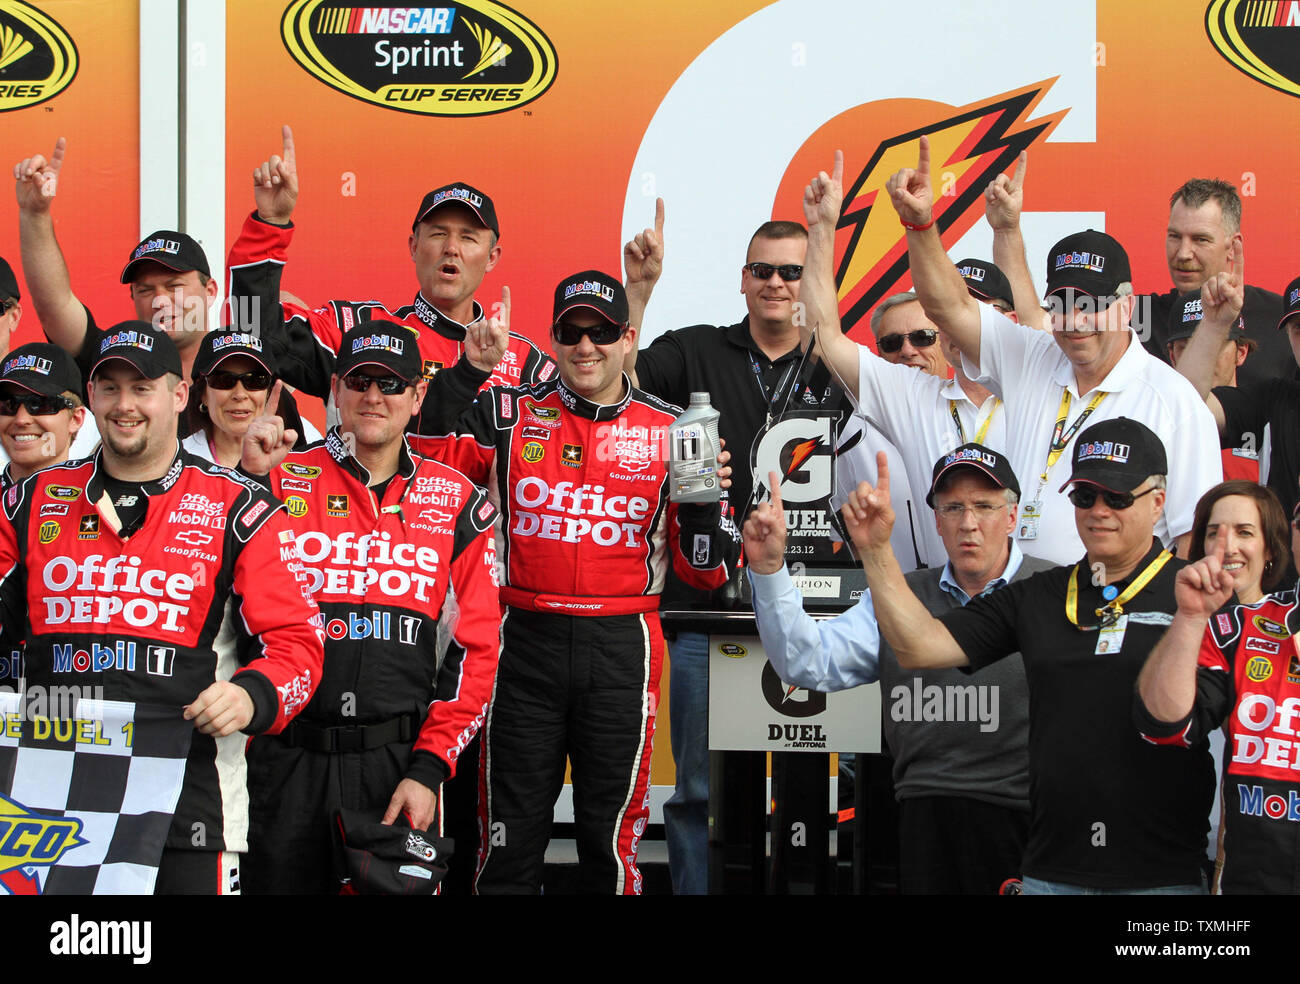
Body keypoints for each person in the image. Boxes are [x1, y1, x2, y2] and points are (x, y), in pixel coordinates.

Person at [422, 270, 739, 894]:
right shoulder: (508, 411)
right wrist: (463, 375)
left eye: (600, 332)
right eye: (571, 332)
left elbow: (704, 570)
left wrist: (705, 512)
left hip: (622, 644)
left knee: (610, 842)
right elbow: (425, 459)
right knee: (507, 842)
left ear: (627, 339)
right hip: (521, 642)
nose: (585, 346)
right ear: (552, 337)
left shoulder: (678, 429)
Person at [0, 320, 324, 894]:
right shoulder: (30, 500)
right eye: (110, 387)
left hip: (188, 800)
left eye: (142, 386)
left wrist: (251, 695)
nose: (125, 405)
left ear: (179, 396)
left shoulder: (239, 507)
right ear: (91, 400)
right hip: (46, 803)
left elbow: (298, 643)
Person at [840, 416, 1214, 892]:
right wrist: (875, 551)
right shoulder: (1039, 593)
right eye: (1085, 496)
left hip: (1159, 869)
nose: (1099, 511)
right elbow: (918, 647)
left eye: (1117, 497)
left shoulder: (1198, 595)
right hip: (1051, 868)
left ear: (1158, 501)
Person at [622, 211, 858, 894]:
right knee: (698, 790)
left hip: (813, 612)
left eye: (793, 271)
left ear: (812, 281)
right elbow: (619, 384)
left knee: (806, 798)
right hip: (704, 609)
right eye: (764, 270)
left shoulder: (839, 365)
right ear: (743, 280)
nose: (778, 283)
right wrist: (638, 292)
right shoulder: (696, 349)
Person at [236, 324, 502, 894]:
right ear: (335, 389)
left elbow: (475, 654)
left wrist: (429, 770)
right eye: (360, 380)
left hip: (397, 765)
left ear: (418, 395)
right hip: (285, 760)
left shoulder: (458, 503)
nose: (374, 396)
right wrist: (249, 480)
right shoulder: (280, 478)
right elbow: (225, 601)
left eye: (392, 382)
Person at [880, 136, 1221, 564]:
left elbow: (1196, 543)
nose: (1075, 321)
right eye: (1061, 304)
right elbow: (948, 308)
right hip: (1016, 607)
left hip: (1114, 617)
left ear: (1127, 305)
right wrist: (921, 226)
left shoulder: (1175, 402)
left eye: (1091, 305)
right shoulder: (1032, 355)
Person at [747, 445, 1051, 893]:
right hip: (921, 819)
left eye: (984, 506)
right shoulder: (900, 595)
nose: (968, 523)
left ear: (1011, 516)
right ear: (936, 522)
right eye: (953, 508)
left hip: (1030, 821)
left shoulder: (1055, 590)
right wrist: (771, 569)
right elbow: (807, 662)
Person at [225, 125, 554, 412]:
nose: (451, 248)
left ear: (493, 257)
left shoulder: (523, 361)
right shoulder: (359, 332)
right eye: (438, 234)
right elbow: (254, 334)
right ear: (413, 247)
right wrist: (269, 225)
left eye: (468, 238)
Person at [1135, 481, 1294, 893]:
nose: (1226, 546)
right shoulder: (1239, 626)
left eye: (1244, 531)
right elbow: (1164, 727)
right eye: (1214, 532)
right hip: (1255, 876)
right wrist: (1190, 617)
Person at [14, 139, 220, 384]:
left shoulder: (247, 369)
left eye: (174, 286)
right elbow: (53, 307)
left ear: (210, 291)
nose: (160, 300)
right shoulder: (110, 360)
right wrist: (34, 214)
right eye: (145, 290)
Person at [1134, 178, 1288, 388]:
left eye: (1200, 239)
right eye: (1175, 236)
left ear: (1233, 247)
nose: (1183, 253)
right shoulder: (1137, 318)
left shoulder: (1283, 319)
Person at [1178, 266, 1300, 517]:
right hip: (1282, 555)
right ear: (1288, 336)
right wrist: (1214, 323)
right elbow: (1184, 405)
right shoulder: (1274, 400)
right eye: (1299, 328)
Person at [182, 329, 320, 467]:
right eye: (224, 380)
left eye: (255, 381)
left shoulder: (307, 439)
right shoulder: (177, 461)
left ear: (269, 391)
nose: (240, 395)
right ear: (203, 394)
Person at [1163, 291, 1258, 482]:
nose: (1204, 358)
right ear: (1172, 356)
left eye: (1217, 344)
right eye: (1189, 347)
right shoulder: (1155, 419)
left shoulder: (1267, 412)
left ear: (1241, 352)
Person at [0, 342, 96, 486]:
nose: (21, 419)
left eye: (40, 404)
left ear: (76, 419)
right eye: (8, 404)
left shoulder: (99, 501)